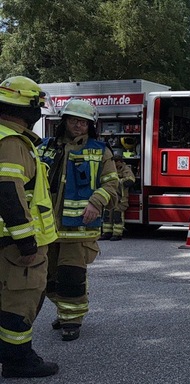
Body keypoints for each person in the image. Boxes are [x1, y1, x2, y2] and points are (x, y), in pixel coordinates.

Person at [38, 98, 119, 341]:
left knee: (71, 276)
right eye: (74, 120)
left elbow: (112, 184)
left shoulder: (100, 151)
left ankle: (71, 320)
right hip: (46, 226)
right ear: (64, 121)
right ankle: (64, 310)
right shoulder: (44, 147)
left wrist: (96, 201)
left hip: (78, 229)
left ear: (90, 126)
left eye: (84, 122)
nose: (78, 126)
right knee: (45, 277)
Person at [0, 76, 60, 377]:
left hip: (5, 239)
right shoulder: (12, 142)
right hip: (14, 243)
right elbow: (8, 191)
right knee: (19, 301)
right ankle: (18, 360)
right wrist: (26, 241)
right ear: (28, 109)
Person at [100, 151, 135, 241]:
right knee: (107, 214)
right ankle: (107, 233)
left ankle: (117, 234)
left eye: (115, 162)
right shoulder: (111, 168)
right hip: (110, 196)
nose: (114, 164)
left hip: (121, 198)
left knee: (117, 215)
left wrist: (118, 181)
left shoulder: (125, 169)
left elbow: (130, 180)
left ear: (119, 162)